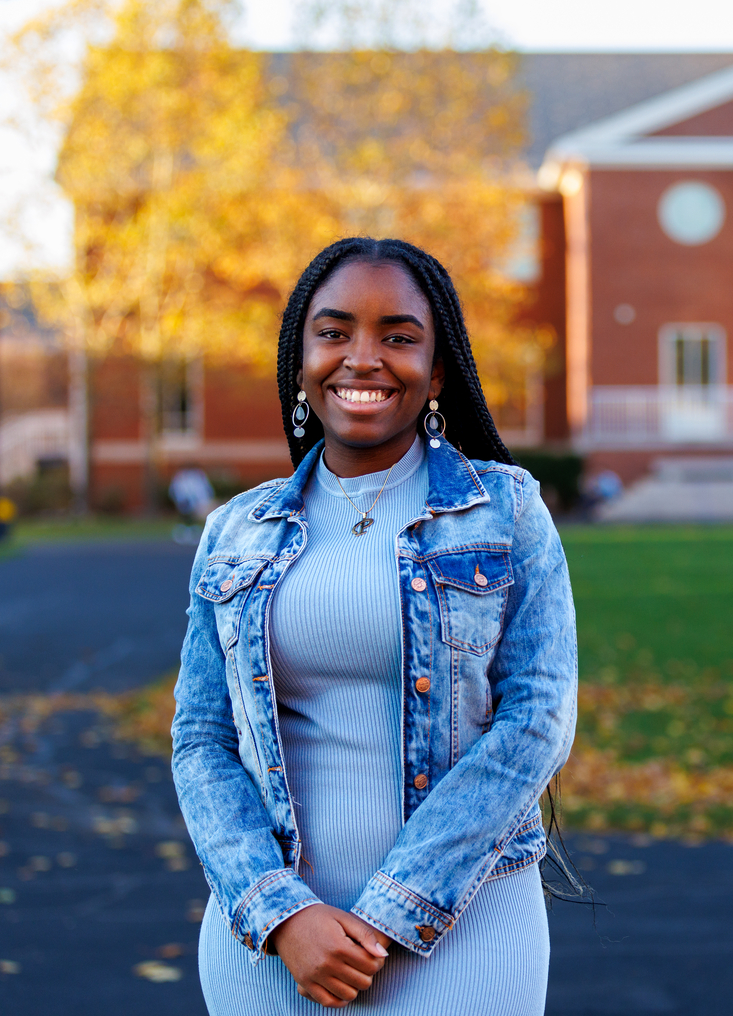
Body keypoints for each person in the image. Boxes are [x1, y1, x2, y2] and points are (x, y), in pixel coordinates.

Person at [172, 237, 577, 1014]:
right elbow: (201, 741)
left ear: (438, 369)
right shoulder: (234, 531)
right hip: (269, 942)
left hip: (469, 930)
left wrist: (390, 913)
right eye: (333, 333)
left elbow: (536, 722)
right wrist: (279, 912)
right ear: (301, 361)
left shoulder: (506, 511)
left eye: (397, 335)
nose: (363, 358)